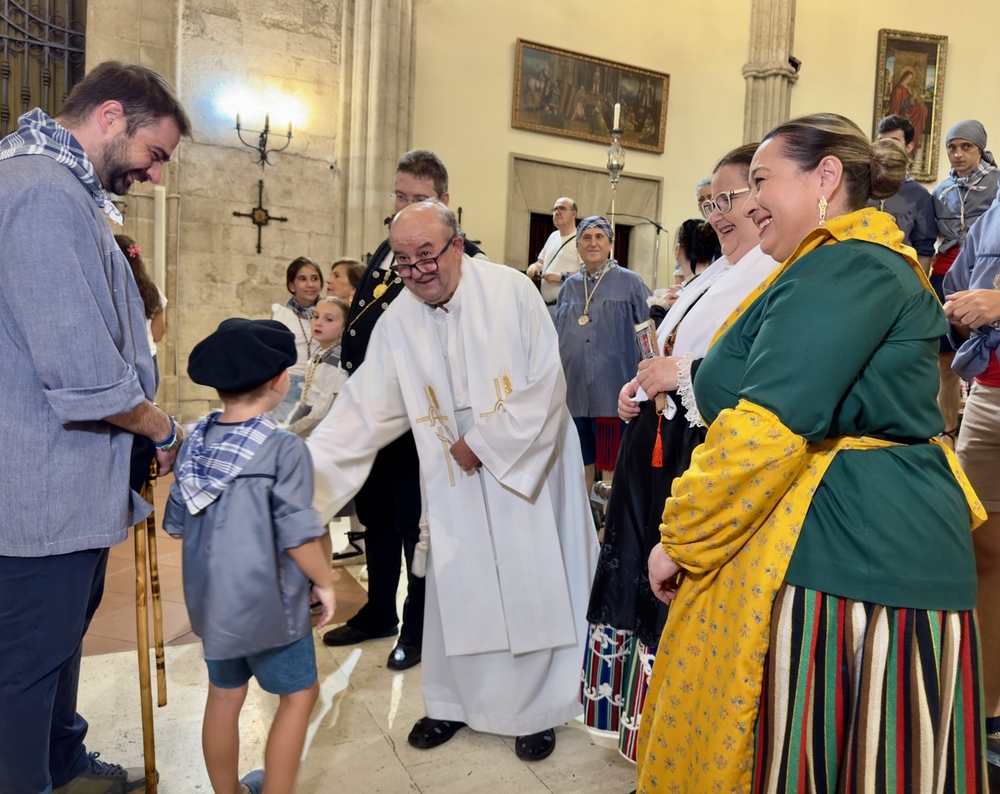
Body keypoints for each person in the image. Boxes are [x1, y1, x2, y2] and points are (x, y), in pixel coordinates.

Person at [637, 113, 987, 793]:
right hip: (846, 541)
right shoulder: (830, 263)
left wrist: (681, 538)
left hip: (864, 553)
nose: (748, 201)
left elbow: (766, 427)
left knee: (851, 759)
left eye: (762, 181)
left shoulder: (848, 264)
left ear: (827, 177)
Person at [309, 198, 598, 760]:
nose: (417, 272)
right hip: (454, 476)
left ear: (457, 245)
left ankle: (535, 711)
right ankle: (452, 704)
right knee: (458, 581)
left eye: (427, 256)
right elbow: (363, 412)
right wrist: (297, 488)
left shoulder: (512, 291)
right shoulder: (399, 320)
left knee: (526, 578)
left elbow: (545, 382)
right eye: (403, 262)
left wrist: (484, 444)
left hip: (524, 464)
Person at [0, 60, 190, 794]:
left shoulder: (51, 186)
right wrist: (161, 427)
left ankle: (61, 760)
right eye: (157, 153)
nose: (156, 174)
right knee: (24, 668)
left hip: (62, 487)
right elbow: (83, 375)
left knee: (56, 650)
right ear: (111, 117)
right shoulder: (41, 193)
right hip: (38, 490)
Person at [581, 143, 780, 763]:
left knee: (674, 583)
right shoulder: (718, 272)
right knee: (639, 572)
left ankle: (675, 725)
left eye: (731, 199)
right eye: (710, 202)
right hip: (659, 443)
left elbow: (750, 369)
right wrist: (640, 383)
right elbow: (674, 349)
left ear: (764, 197)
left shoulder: (773, 272)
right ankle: (642, 721)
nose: (718, 213)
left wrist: (679, 376)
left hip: (699, 450)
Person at [321, 149, 486, 672]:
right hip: (378, 411)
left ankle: (416, 626)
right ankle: (377, 611)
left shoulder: (467, 260)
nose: (404, 208)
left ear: (444, 203)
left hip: (424, 419)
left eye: (418, 199)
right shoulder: (385, 249)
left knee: (420, 524)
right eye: (399, 196)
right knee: (379, 518)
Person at [164, 318, 335, 794]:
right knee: (300, 696)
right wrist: (323, 581)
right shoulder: (283, 448)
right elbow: (298, 533)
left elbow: (176, 525)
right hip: (271, 607)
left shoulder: (194, 444)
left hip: (213, 606)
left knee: (224, 695)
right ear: (282, 381)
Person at [943, 199, 1000, 760]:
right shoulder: (994, 209)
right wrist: (960, 307)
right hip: (988, 393)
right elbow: (957, 284)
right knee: (981, 545)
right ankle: (986, 704)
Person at [554, 216, 651, 497]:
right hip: (574, 395)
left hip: (613, 393)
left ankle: (609, 529)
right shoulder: (569, 287)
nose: (592, 243)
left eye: (599, 237)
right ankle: (581, 527)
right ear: (577, 246)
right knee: (578, 465)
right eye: (586, 237)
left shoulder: (630, 283)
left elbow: (648, 333)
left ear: (610, 243)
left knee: (611, 470)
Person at [932, 120, 1000, 447]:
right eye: (952, 147)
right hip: (951, 272)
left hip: (986, 280)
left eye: (966, 147)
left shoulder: (995, 184)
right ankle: (948, 426)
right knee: (946, 355)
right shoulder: (940, 190)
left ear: (980, 149)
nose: (958, 154)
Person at [865, 114, 936, 268]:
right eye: (881, 142)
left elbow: (924, 249)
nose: (886, 148)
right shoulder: (860, 187)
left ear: (909, 147)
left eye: (894, 142)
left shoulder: (920, 196)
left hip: (901, 272)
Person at [284, 296, 349, 439]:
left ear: (344, 327)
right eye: (316, 316)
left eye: (329, 319)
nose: (318, 323)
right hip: (306, 413)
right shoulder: (320, 352)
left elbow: (323, 411)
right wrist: (287, 425)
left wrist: (290, 432)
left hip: (319, 426)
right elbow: (304, 398)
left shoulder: (336, 361)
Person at [271, 256, 323, 423]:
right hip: (289, 384)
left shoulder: (328, 313)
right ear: (291, 285)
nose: (310, 284)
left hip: (321, 383)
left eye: (314, 278)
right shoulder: (281, 315)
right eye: (302, 279)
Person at [116, 234, 167, 392]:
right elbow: (158, 334)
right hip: (148, 361)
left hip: (118, 361)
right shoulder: (152, 291)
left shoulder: (109, 291)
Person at [525, 196, 583, 315]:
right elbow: (541, 262)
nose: (557, 212)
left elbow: (588, 273)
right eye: (555, 209)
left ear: (574, 214)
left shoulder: (581, 239)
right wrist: (535, 267)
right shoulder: (553, 236)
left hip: (567, 308)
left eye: (562, 208)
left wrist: (561, 277)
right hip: (546, 307)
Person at [888, 68, 928, 154]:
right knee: (921, 109)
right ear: (904, 77)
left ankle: (915, 140)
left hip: (908, 110)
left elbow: (912, 102)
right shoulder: (898, 89)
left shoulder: (908, 88)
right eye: (908, 78)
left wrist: (913, 98)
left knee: (923, 108)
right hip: (901, 112)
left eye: (911, 78)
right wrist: (911, 99)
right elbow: (898, 104)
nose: (909, 80)